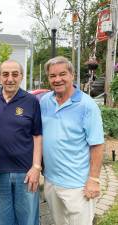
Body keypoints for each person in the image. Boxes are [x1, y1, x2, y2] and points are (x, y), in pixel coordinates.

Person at [40, 56, 104, 225]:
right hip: (51, 181)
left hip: (77, 186)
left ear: (72, 75)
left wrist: (94, 180)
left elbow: (97, 145)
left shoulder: (87, 105)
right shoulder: (45, 101)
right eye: (52, 76)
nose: (57, 79)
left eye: (62, 74)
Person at [0, 60, 42, 225]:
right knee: (4, 220)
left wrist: (36, 167)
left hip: (25, 173)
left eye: (15, 74)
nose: (10, 79)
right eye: (5, 74)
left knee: (28, 220)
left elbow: (37, 135)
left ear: (21, 77)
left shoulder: (31, 101)